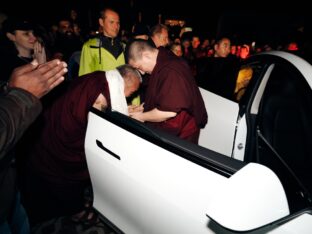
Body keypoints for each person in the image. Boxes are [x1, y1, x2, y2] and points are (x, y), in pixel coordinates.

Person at [20, 64, 141, 225]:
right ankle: (76, 211)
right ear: (125, 82)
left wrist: (125, 110)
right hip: (63, 143)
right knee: (69, 177)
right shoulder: (101, 97)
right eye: (131, 92)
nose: (128, 97)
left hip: (49, 123)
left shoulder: (100, 77)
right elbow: (97, 127)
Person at [0, 59, 68, 234]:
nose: (32, 37)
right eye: (25, 33)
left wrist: (8, 88)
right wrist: (21, 96)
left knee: (20, 220)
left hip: (7, 180)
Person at [127, 40, 207, 144]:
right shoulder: (164, 59)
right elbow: (162, 95)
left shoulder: (170, 70)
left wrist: (140, 117)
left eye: (139, 67)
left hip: (182, 131)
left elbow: (168, 111)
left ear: (146, 56)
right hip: (173, 128)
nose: (141, 72)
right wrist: (142, 108)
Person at [78, 8, 125, 76]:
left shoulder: (124, 46)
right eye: (111, 22)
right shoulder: (90, 46)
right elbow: (84, 77)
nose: (116, 26)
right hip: (100, 86)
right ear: (101, 22)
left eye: (118, 23)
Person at [0, 17, 47, 82]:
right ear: (11, 37)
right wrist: (41, 66)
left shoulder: (39, 55)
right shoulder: (7, 65)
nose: (34, 38)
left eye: (33, 33)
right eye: (26, 34)